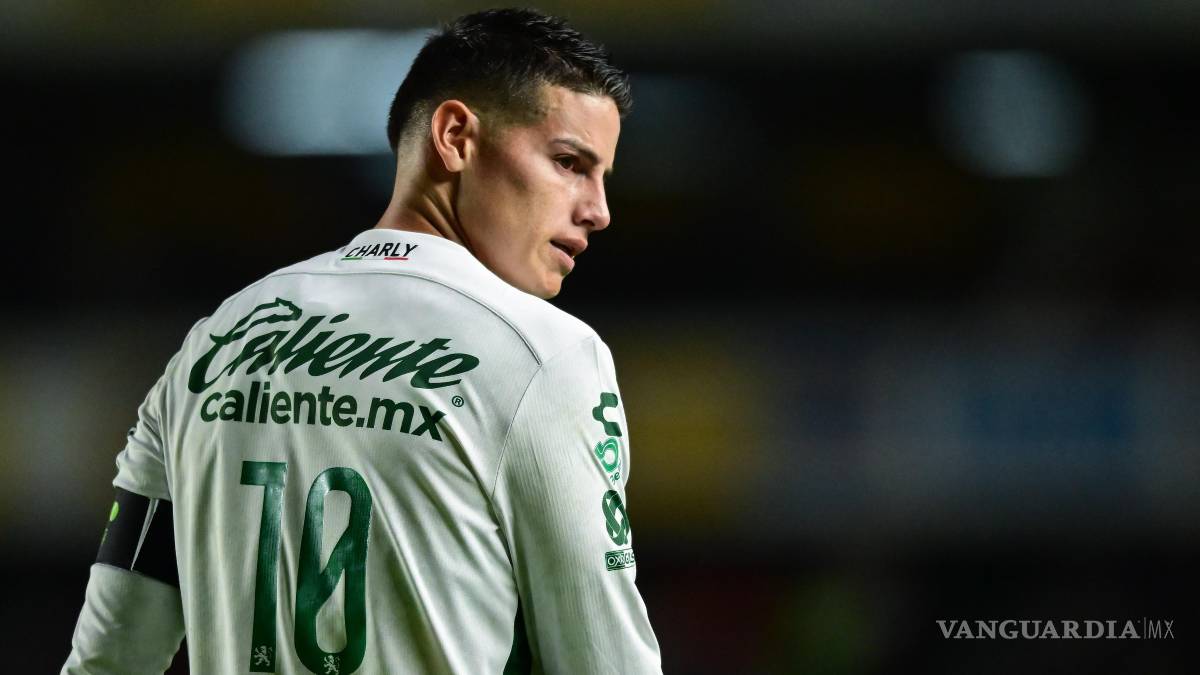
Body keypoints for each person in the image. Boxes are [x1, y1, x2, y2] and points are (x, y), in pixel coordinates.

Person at [62, 7, 662, 674]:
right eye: (569, 162)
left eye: (601, 176)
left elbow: (109, 657)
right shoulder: (542, 354)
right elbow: (606, 659)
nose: (599, 210)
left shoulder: (214, 341)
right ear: (456, 136)